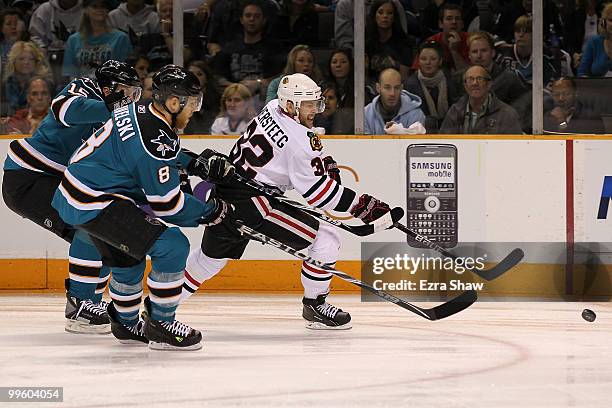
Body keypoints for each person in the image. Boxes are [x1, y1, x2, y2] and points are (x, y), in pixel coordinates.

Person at [180, 73, 403, 330]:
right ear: (291, 105)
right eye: (308, 104)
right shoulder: (299, 141)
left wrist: (323, 161)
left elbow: (300, 149)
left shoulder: (273, 107)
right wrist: (362, 206)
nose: (315, 110)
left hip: (228, 191)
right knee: (327, 238)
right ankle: (315, 306)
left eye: (315, 103)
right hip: (256, 204)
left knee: (207, 261)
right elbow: (318, 194)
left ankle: (156, 308)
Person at [50, 64, 233, 350]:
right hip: (95, 201)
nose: (195, 110)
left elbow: (146, 150)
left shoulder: (139, 110)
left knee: (129, 256)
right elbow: (168, 205)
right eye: (193, 103)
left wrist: (191, 161)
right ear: (174, 102)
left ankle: (125, 323)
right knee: (172, 246)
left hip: (74, 193)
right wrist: (211, 212)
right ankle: (161, 324)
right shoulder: (155, 137)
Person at [2, 60, 142, 334]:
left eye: (135, 94)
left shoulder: (117, 119)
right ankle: (82, 303)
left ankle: (88, 304)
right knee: (90, 225)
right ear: (109, 88)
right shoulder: (85, 88)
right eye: (127, 92)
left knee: (104, 232)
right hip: (30, 176)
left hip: (57, 180)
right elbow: (65, 109)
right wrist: (114, 108)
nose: (131, 99)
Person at [439, 65, 522, 134]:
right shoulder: (455, 111)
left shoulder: (507, 114)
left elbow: (514, 148)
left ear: (489, 84)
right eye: (470, 79)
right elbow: (444, 143)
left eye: (479, 79)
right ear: (465, 86)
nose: (475, 83)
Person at [62, 0, 133, 79]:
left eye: (103, 6)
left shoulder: (121, 38)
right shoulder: (73, 40)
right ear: (85, 10)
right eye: (95, 6)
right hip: (80, 88)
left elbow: (123, 72)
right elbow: (70, 73)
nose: (100, 9)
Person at [404, 42, 458, 133]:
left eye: (433, 59)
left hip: (449, 130)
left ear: (440, 61)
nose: (428, 63)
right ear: (418, 61)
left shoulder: (450, 81)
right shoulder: (410, 85)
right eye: (423, 59)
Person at [364, 67, 425, 135]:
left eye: (396, 88)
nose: (392, 93)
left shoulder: (416, 114)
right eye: (387, 88)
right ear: (378, 88)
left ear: (401, 88)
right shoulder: (365, 114)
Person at [414, 3, 469, 73]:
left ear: (462, 24)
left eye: (457, 19)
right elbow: (417, 72)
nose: (454, 22)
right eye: (449, 19)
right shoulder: (430, 42)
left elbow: (471, 74)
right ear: (440, 24)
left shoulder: (471, 40)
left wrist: (454, 51)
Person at [365, 0, 414, 79]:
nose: (385, 16)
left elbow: (405, 76)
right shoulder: (365, 42)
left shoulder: (405, 42)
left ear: (394, 17)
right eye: (380, 12)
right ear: (374, 16)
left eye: (389, 13)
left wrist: (395, 64)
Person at [1, 40, 50, 116]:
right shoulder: (6, 84)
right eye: (21, 59)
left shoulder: (44, 84)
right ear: (13, 62)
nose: (26, 62)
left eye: (31, 59)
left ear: (36, 62)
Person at [578, 3, 612, 77]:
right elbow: (582, 73)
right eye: (611, 20)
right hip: (596, 87)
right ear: (604, 22)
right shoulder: (594, 42)